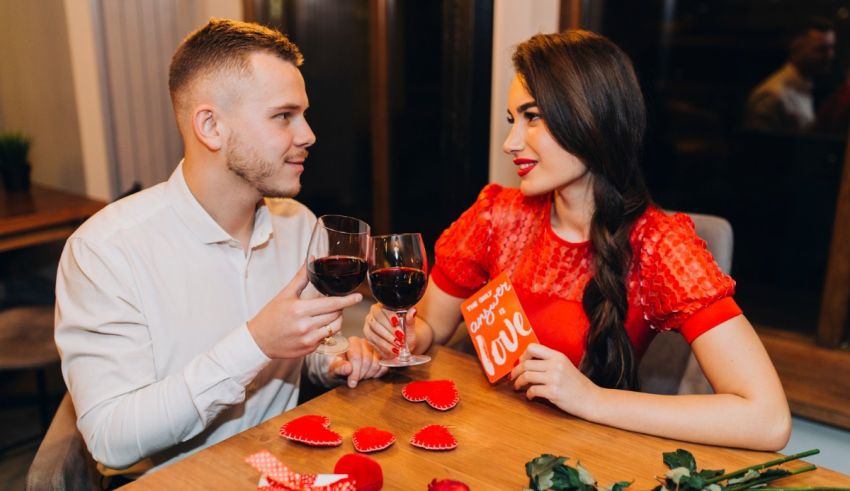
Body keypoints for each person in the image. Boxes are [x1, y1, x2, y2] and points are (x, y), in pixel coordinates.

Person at [364, 30, 791, 451]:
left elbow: (767, 419)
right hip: (481, 442)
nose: (511, 144)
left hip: (582, 456)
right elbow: (431, 328)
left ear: (591, 122)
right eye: (513, 120)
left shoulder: (658, 245)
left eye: (533, 118)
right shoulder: (498, 214)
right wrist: (398, 334)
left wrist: (593, 399)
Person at [55, 19, 386, 475]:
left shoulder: (300, 226)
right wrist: (255, 342)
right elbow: (111, 439)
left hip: (289, 466)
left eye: (304, 114)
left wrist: (330, 359)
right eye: (283, 116)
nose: (308, 134)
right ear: (211, 126)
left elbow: (304, 354)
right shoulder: (104, 252)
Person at [745, 17, 836, 133]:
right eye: (821, 50)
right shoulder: (772, 95)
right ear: (796, 49)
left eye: (832, 48)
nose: (830, 56)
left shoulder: (804, 87)